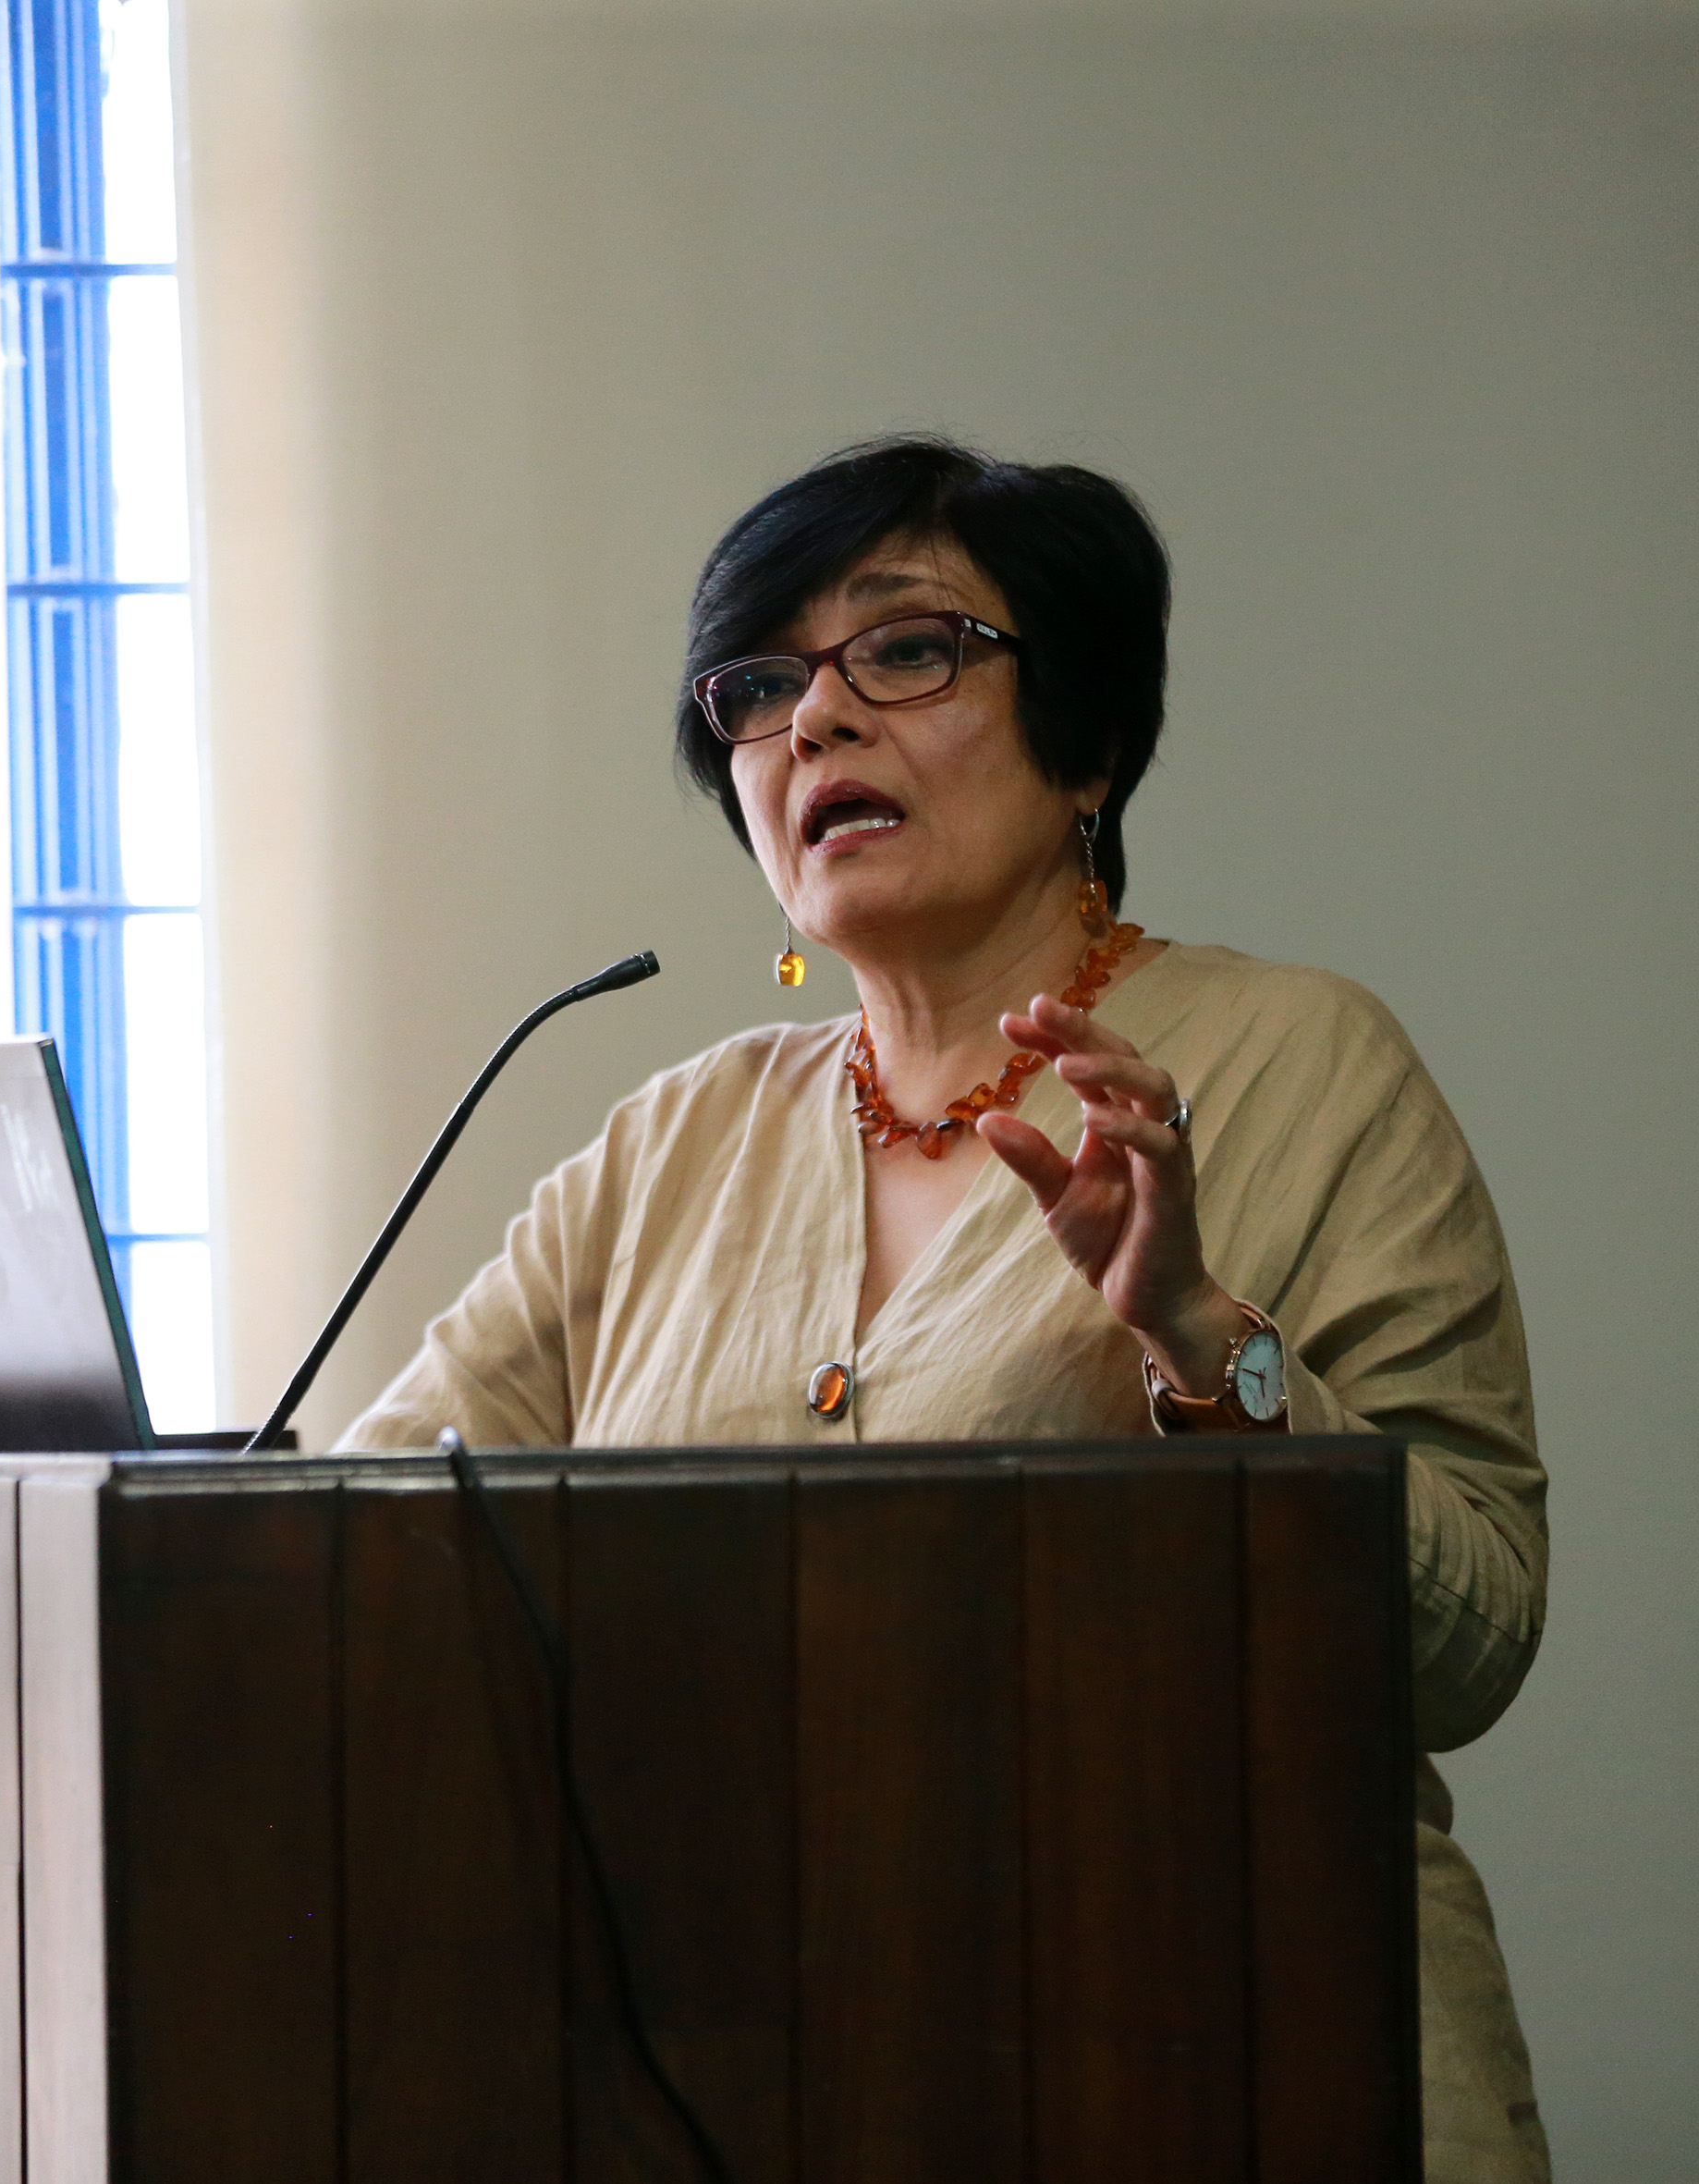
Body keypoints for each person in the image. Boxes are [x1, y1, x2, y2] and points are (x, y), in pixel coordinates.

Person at [347, 436, 1550, 2180]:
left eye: (907, 649)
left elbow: (1476, 1635)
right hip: (746, 2089)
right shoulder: (671, 1142)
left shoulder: (1305, 1059)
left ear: (1091, 743)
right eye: (762, 688)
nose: (816, 721)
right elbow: (372, 1542)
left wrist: (1202, 1339)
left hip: (1241, 2059)